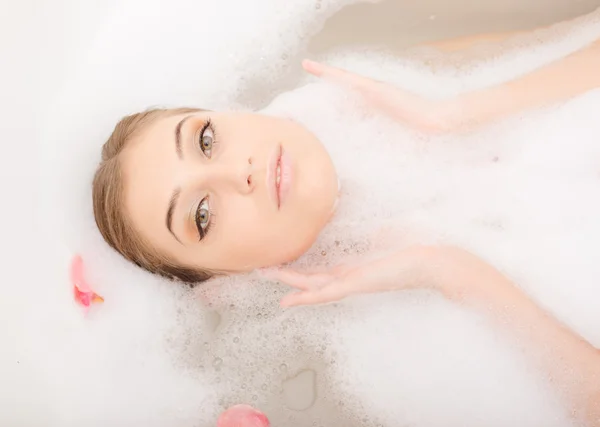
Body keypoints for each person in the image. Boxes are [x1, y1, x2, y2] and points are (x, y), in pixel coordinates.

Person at [92, 21, 600, 425]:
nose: (237, 171)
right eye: (202, 215)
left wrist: (454, 113)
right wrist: (448, 272)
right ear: (226, 280)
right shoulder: (388, 356)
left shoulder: (371, 89)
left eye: (205, 139)